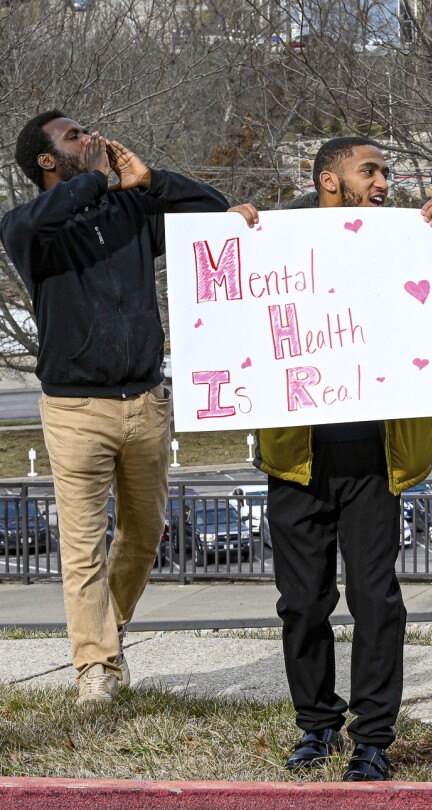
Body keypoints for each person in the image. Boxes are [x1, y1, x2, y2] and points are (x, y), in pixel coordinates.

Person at [232, 137, 432, 781]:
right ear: (328, 179)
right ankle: (317, 726)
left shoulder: (408, 239)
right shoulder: (275, 240)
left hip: (379, 458)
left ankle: (373, 738)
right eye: (368, 170)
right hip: (296, 460)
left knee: (376, 601)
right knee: (302, 602)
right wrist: (228, 241)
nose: (383, 182)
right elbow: (226, 311)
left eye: (386, 172)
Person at [0, 111, 229, 706]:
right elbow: (38, 217)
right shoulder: (30, 228)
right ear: (47, 161)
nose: (92, 138)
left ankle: (108, 632)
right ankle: (94, 670)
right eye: (75, 136)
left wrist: (150, 181)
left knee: (146, 534)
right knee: (83, 547)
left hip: (146, 402)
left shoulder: (130, 212)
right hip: (75, 408)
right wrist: (95, 179)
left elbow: (213, 209)